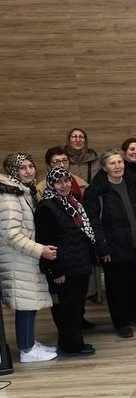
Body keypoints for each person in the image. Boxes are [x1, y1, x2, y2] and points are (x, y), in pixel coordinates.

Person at [84, 150, 136, 338]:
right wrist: (102, 247)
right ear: (104, 167)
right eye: (112, 163)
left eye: (120, 162)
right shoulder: (96, 191)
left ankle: (134, 314)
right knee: (117, 288)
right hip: (113, 248)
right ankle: (121, 322)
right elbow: (93, 222)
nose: (117, 166)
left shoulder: (134, 184)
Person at [0, 153, 58, 363]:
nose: (28, 171)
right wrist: (40, 250)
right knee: (26, 304)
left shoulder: (23, 191)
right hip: (18, 259)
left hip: (24, 258)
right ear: (13, 171)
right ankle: (27, 350)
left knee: (29, 303)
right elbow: (11, 235)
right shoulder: (10, 197)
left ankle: (29, 342)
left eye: (31, 166)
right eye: (22, 168)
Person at [35, 168, 97, 356]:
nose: (64, 185)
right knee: (67, 309)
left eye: (67, 180)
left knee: (76, 307)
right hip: (65, 267)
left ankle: (75, 342)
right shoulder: (46, 207)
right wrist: (57, 271)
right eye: (58, 182)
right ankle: (70, 346)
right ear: (51, 185)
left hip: (80, 263)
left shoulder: (73, 201)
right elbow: (46, 242)